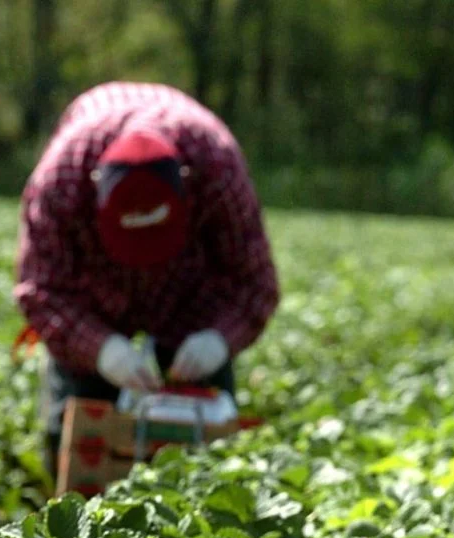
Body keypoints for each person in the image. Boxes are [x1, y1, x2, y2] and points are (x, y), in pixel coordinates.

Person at [15, 82, 279, 468]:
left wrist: (219, 339)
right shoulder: (61, 181)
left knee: (205, 445)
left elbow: (254, 281)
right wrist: (102, 350)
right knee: (77, 436)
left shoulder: (217, 168)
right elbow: (41, 289)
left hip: (189, 293)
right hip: (95, 296)